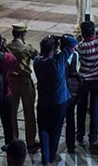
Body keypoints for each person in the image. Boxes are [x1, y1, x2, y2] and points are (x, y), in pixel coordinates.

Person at [33, 34, 77, 166]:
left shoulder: (37, 62)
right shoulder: (58, 61)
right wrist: (61, 37)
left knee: (43, 129)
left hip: (43, 102)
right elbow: (73, 43)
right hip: (59, 102)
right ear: (53, 49)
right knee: (56, 130)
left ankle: (45, 159)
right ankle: (52, 155)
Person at [7, 23, 40, 151]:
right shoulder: (27, 48)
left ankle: (13, 139)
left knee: (12, 112)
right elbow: (37, 57)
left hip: (11, 81)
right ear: (23, 34)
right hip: (25, 82)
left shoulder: (8, 47)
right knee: (29, 112)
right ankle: (30, 141)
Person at [75, 20, 98, 147]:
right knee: (95, 109)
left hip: (84, 79)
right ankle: (93, 136)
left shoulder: (82, 47)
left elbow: (74, 50)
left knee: (81, 108)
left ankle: (80, 134)